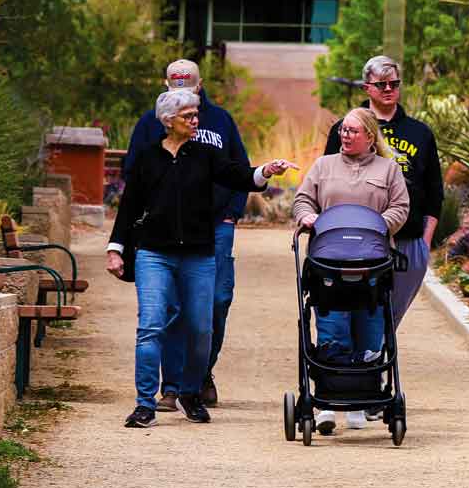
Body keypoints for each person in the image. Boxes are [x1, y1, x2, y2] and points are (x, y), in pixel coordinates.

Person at [109, 89, 294, 429]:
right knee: (150, 326)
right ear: (168, 120)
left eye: (196, 115)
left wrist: (266, 170)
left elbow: (240, 176)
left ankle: (190, 392)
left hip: (198, 254)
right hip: (154, 253)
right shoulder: (148, 159)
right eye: (188, 116)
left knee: (200, 329)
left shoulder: (206, 155)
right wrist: (116, 248)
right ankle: (144, 403)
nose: (196, 121)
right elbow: (129, 206)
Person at [125, 59, 251, 411]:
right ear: (165, 85)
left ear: (200, 85)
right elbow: (133, 174)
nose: (182, 93)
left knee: (216, 303)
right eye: (174, 86)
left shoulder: (221, 121)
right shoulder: (153, 123)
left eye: (188, 86)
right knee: (170, 308)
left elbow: (240, 168)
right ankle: (172, 386)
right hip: (166, 232)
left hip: (214, 227)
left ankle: (200, 375)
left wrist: (231, 216)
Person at [293, 107, 409, 435]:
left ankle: (361, 402)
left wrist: (374, 226)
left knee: (370, 331)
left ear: (370, 137)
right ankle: (328, 402)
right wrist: (307, 217)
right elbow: (303, 200)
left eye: (353, 131)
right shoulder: (323, 166)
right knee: (332, 329)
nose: (345, 135)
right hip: (328, 264)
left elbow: (400, 208)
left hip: (372, 264)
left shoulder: (388, 170)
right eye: (343, 130)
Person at [322, 56, 441, 341]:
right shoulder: (346, 128)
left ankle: (374, 365)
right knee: (352, 311)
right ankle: (348, 371)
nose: (389, 89)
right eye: (381, 84)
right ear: (367, 88)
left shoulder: (419, 133)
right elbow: (325, 178)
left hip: (407, 241)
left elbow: (434, 191)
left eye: (394, 84)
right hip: (357, 239)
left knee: (388, 318)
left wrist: (424, 244)